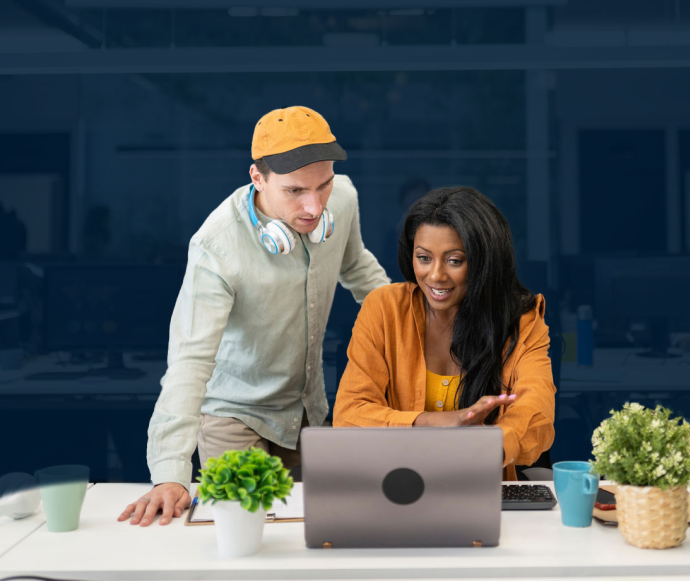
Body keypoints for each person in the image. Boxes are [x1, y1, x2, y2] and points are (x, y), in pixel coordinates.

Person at [118, 106, 390, 526]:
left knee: (320, 534)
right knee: (246, 541)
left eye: (323, 185)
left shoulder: (344, 199)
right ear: (258, 178)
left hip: (308, 411)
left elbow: (357, 269)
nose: (315, 207)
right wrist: (170, 473)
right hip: (234, 418)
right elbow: (190, 362)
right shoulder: (217, 246)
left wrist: (415, 325)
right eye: (295, 191)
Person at [333, 187, 555, 480]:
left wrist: (483, 446)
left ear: (484, 261)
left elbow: (536, 409)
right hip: (393, 487)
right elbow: (349, 415)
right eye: (424, 258)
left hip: (482, 488)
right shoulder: (383, 308)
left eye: (455, 260)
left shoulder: (522, 320)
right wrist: (435, 423)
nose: (436, 275)